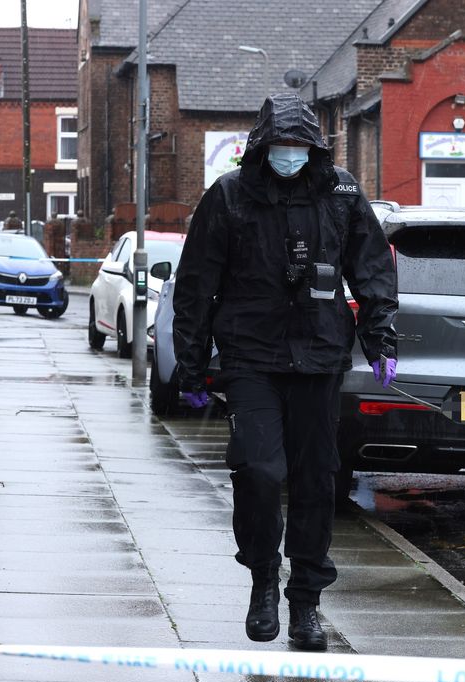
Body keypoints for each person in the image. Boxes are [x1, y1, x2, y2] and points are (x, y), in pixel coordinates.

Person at [171, 94, 398, 651]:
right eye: (281, 147)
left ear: (314, 149)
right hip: (252, 356)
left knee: (317, 478)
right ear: (262, 148)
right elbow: (197, 283)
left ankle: (306, 602)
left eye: (299, 147)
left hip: (319, 356)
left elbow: (371, 270)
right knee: (259, 471)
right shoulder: (230, 196)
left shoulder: (340, 194)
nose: (290, 157)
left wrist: (379, 339)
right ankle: (262, 579)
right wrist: (192, 367)